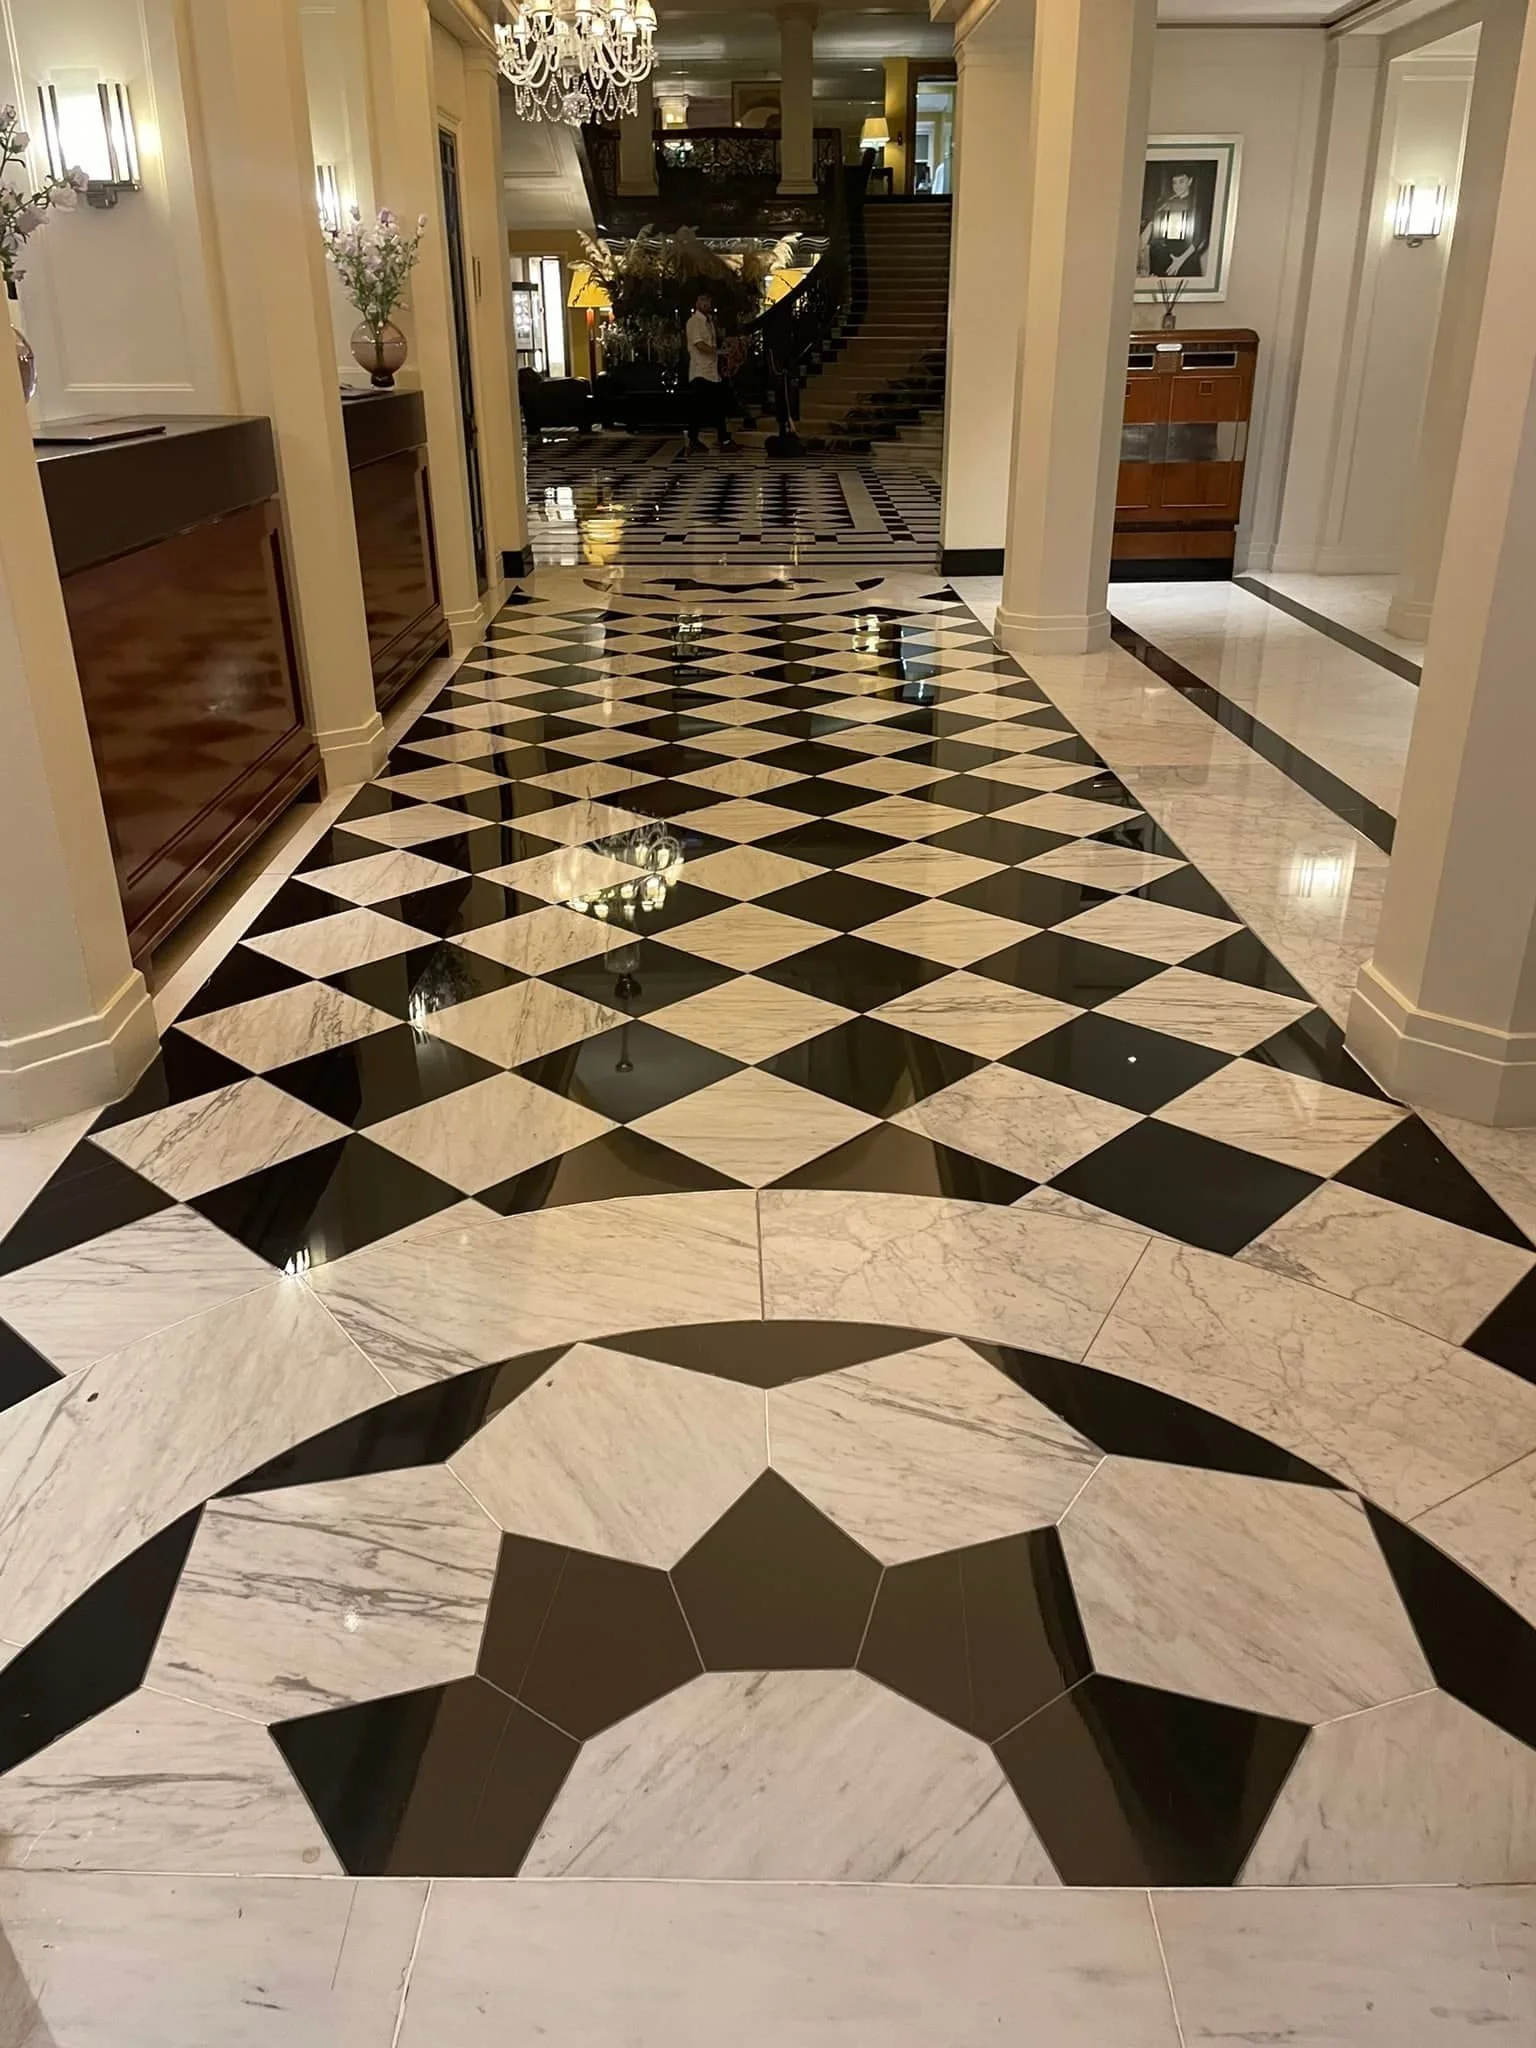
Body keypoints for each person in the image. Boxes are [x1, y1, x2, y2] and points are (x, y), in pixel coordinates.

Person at [683, 291, 738, 453]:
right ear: (697, 302)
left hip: (712, 373)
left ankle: (723, 439)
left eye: (708, 300)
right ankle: (699, 440)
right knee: (699, 408)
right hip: (700, 373)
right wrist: (718, 352)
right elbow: (699, 344)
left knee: (717, 406)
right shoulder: (694, 322)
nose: (707, 303)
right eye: (703, 300)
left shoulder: (710, 322)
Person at [1139, 170, 1209, 280]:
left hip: (1186, 259)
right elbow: (1155, 229)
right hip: (1167, 259)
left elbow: (1199, 238)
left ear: (1190, 181)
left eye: (1182, 181)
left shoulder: (1196, 204)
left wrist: (1180, 260)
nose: (1177, 186)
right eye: (1174, 182)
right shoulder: (1166, 203)